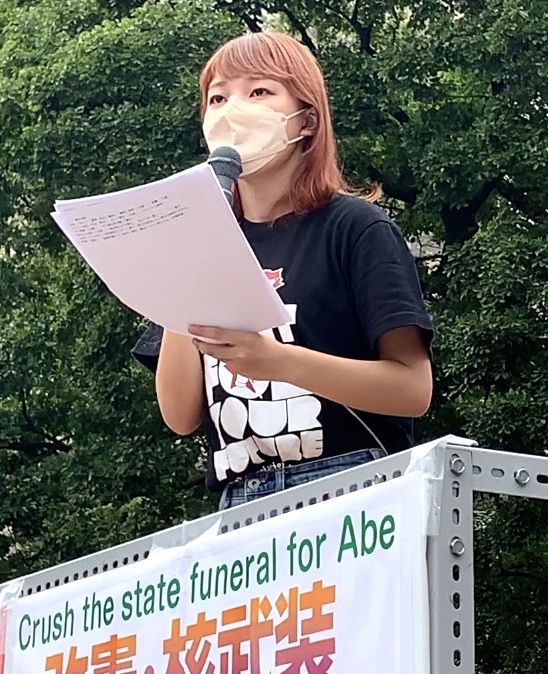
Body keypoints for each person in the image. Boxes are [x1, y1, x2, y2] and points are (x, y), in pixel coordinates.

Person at [132, 31, 434, 511]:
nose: (232, 110)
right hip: (239, 503)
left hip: (350, 486)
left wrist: (277, 361)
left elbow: (413, 389)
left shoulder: (355, 228)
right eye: (217, 97)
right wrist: (185, 260)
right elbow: (180, 414)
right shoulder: (207, 242)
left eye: (259, 92)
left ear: (306, 121)